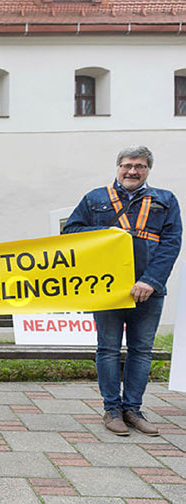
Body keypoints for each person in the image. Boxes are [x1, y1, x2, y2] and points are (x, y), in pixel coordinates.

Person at [63, 146, 182, 436]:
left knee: (141, 351)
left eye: (139, 166)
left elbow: (172, 243)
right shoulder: (95, 198)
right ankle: (112, 410)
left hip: (148, 290)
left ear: (147, 170)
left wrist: (150, 281)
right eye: (127, 165)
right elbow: (71, 233)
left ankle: (133, 409)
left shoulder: (165, 200)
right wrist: (107, 235)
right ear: (118, 167)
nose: (132, 171)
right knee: (108, 349)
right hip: (108, 290)